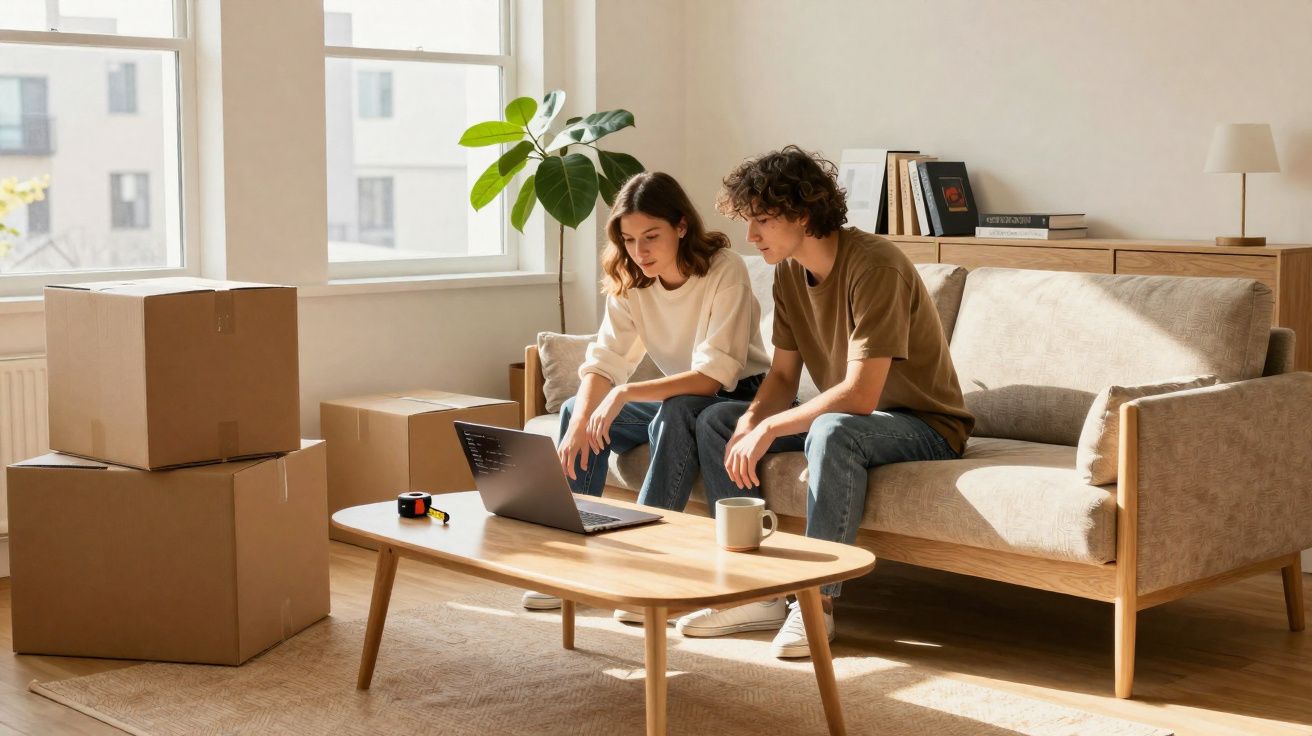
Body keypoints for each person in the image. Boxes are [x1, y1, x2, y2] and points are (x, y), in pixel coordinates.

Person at [676, 146, 974, 657]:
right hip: (856, 416)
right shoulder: (789, 272)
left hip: (925, 424)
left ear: (803, 214)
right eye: (749, 222)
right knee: (719, 421)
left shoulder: (875, 266)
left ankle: (816, 604)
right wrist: (751, 419)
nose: (751, 237)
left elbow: (860, 395)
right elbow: (783, 375)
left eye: (763, 221)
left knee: (832, 431)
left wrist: (771, 430)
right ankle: (757, 591)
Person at [522, 171, 771, 617]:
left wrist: (625, 394)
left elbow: (713, 375)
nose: (640, 251)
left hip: (740, 396)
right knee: (577, 411)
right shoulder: (632, 277)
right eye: (630, 239)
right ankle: (571, 566)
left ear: (681, 226)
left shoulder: (723, 269)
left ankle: (643, 570)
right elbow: (606, 359)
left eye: (652, 236)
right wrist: (582, 419)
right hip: (681, 394)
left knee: (675, 411)